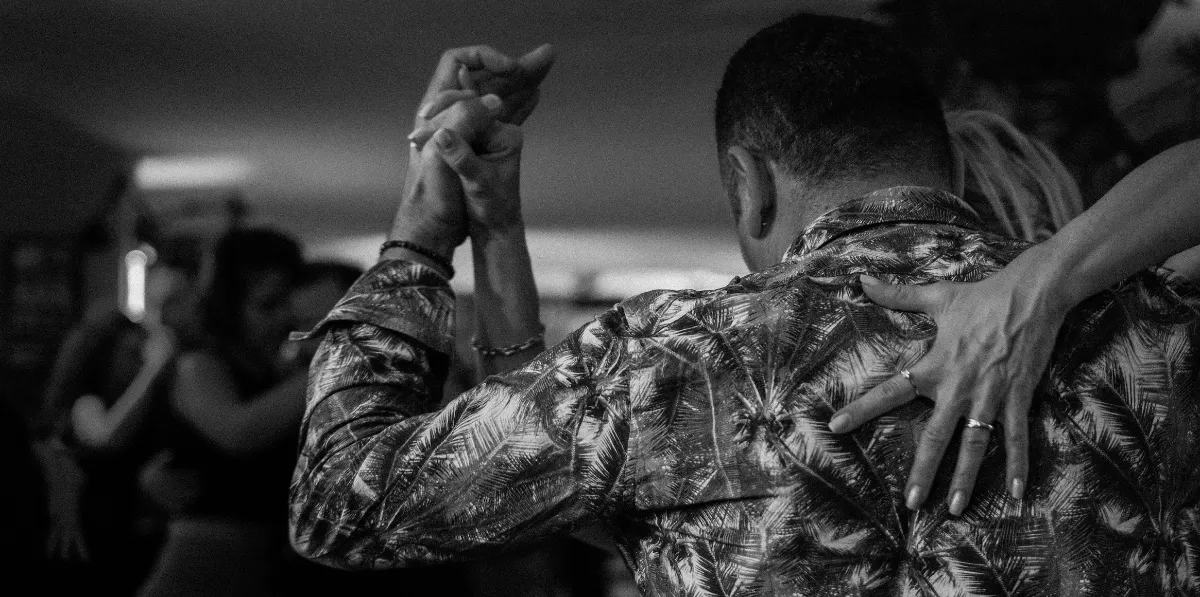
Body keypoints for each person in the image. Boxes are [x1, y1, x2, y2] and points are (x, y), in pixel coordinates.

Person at [291, 14, 1200, 596]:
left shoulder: (667, 358)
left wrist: (421, 233)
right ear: (951, 169)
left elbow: (340, 500)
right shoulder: (1152, 331)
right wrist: (1051, 278)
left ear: (747, 185)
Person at [137, 227, 307, 597]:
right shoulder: (199, 364)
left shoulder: (274, 372)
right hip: (203, 559)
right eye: (267, 305)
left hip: (249, 559)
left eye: (287, 303)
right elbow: (237, 431)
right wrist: (330, 368)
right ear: (229, 306)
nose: (285, 318)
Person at [31, 232, 202, 596]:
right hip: (97, 525)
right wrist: (152, 369)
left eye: (180, 304)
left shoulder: (189, 356)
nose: (167, 320)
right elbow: (105, 437)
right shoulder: (106, 349)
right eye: (163, 306)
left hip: (147, 526)